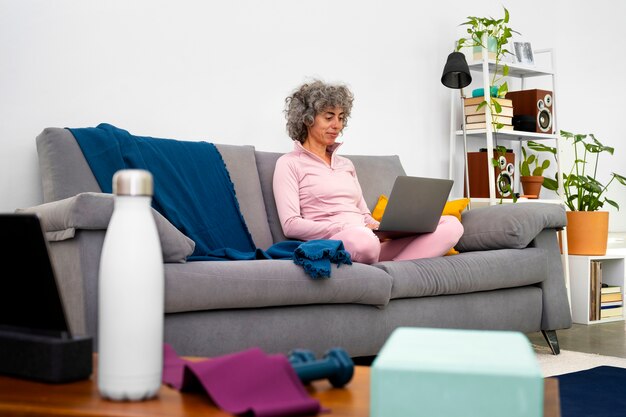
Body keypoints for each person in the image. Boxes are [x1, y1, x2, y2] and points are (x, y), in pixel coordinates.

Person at [273, 79, 464, 264]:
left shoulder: (346, 164)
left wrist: (381, 228)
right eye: (329, 117)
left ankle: (395, 270)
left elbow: (364, 214)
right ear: (307, 119)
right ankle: (393, 265)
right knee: (364, 240)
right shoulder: (289, 164)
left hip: (370, 240)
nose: (337, 125)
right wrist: (346, 227)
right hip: (340, 242)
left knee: (452, 226)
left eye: (341, 118)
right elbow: (291, 224)